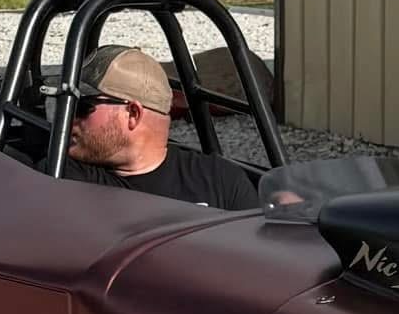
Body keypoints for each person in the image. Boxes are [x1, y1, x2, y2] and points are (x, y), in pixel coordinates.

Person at [49, 45, 260, 211]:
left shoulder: (220, 180)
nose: (68, 117)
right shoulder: (63, 178)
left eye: (82, 107)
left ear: (133, 114)